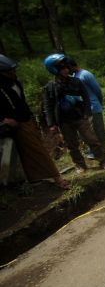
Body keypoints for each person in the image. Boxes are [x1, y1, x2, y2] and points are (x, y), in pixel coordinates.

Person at [0, 54, 69, 189]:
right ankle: (39, 179)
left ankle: (54, 177)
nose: (14, 73)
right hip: (9, 124)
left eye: (14, 70)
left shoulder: (16, 83)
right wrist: (3, 119)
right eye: (10, 72)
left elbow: (22, 102)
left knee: (37, 149)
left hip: (24, 120)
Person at [42, 53, 105, 172]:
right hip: (64, 121)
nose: (66, 70)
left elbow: (86, 97)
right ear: (54, 70)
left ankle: (103, 160)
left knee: (91, 139)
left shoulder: (76, 81)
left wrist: (87, 113)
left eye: (67, 67)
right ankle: (80, 165)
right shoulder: (50, 87)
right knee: (71, 144)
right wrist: (51, 124)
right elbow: (48, 106)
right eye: (62, 68)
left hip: (80, 117)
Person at [64, 57, 105, 158]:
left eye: (67, 68)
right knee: (88, 133)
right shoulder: (75, 75)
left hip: (94, 107)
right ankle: (93, 151)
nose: (66, 71)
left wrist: (99, 103)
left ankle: (101, 151)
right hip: (84, 109)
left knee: (98, 130)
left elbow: (97, 90)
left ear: (71, 66)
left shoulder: (86, 74)